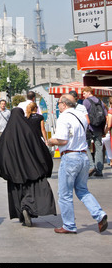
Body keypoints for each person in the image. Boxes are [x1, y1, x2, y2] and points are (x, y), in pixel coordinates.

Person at [48, 94, 108, 234]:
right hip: (83, 155)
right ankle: (99, 214)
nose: (58, 105)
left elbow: (62, 140)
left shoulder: (64, 117)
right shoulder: (80, 115)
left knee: (65, 193)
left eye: (58, 103)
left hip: (70, 157)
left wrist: (51, 141)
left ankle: (69, 225)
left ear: (64, 103)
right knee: (82, 190)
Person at [0, 107, 56, 227]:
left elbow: (1, 153)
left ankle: (21, 210)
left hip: (14, 171)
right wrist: (45, 164)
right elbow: (39, 148)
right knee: (31, 189)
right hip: (31, 168)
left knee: (17, 189)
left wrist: (4, 170)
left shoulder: (6, 134)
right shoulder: (28, 130)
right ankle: (28, 207)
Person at [82, 86, 108, 177]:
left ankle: (91, 165)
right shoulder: (100, 101)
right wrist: (104, 128)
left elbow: (83, 115)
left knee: (85, 147)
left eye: (84, 93)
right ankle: (99, 170)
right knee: (99, 148)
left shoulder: (86, 102)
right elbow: (105, 115)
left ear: (89, 92)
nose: (83, 95)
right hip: (99, 128)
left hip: (89, 128)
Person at [103, 97, 112, 167]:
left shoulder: (110, 112)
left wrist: (105, 132)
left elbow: (109, 125)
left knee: (108, 147)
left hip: (110, 133)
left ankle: (111, 161)